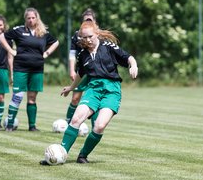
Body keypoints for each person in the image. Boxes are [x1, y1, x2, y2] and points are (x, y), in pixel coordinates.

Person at [50, 21, 138, 164]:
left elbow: (128, 57)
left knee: (99, 126)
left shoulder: (108, 47)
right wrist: (71, 87)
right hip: (93, 89)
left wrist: (133, 65)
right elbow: (80, 73)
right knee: (76, 119)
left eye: (90, 36)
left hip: (112, 91)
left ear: (96, 33)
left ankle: (83, 155)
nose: (88, 40)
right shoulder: (83, 54)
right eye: (84, 38)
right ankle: (61, 153)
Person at [0, 7, 59, 131]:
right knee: (17, 96)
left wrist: (47, 53)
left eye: (33, 17)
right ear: (25, 19)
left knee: (32, 98)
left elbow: (56, 42)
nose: (31, 20)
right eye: (28, 18)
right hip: (21, 68)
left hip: (37, 70)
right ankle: (9, 125)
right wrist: (11, 50)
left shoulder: (43, 33)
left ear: (37, 18)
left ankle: (32, 126)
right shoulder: (19, 30)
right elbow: (1, 37)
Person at [65, 8, 97, 124]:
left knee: (95, 100)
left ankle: (95, 127)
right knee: (75, 99)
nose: (88, 22)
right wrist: (72, 70)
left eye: (90, 20)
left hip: (96, 72)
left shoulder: (98, 34)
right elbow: (72, 53)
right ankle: (68, 123)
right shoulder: (77, 35)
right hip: (82, 71)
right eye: (85, 20)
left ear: (94, 21)